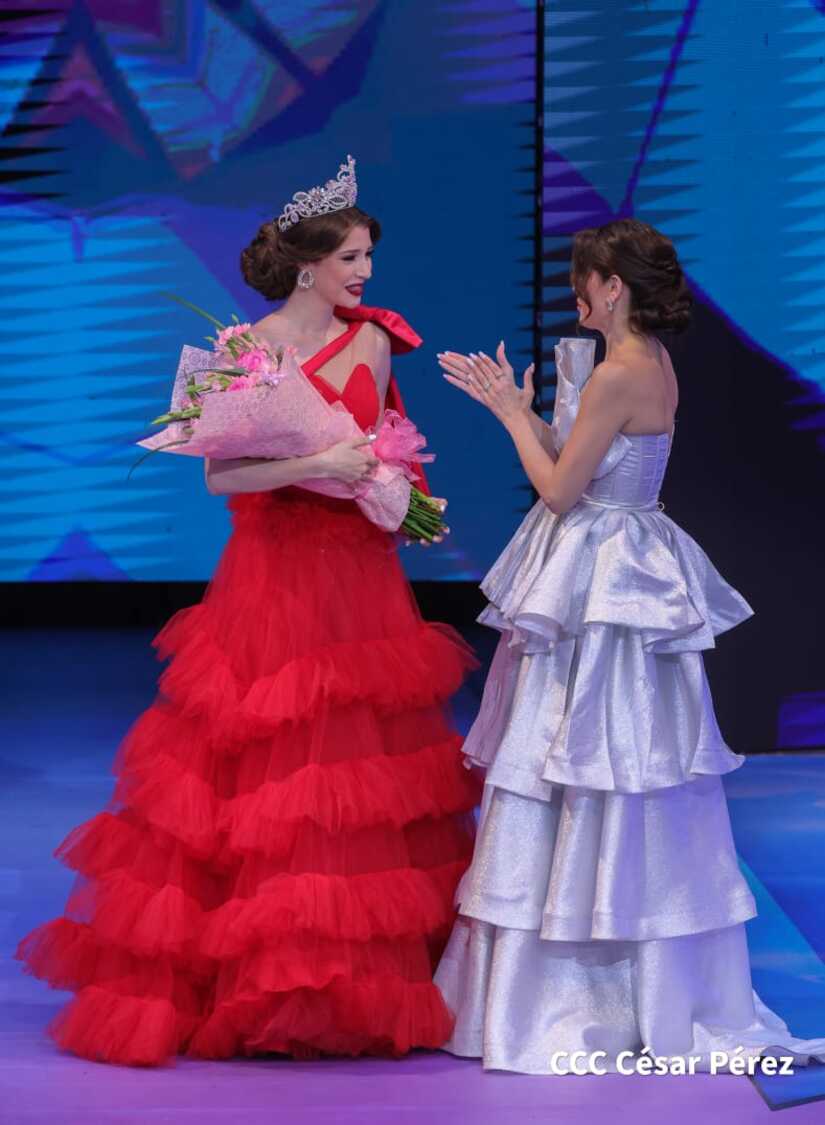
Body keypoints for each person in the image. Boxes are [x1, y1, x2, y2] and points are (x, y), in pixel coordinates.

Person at [16, 156, 480, 1066]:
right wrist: (319, 465)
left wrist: (402, 494)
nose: (365, 272)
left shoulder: (374, 342)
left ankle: (355, 975)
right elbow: (222, 476)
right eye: (350, 257)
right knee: (272, 764)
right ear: (306, 265)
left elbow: (387, 443)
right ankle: (260, 974)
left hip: (361, 575)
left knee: (356, 765)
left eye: (367, 256)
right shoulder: (246, 350)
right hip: (274, 575)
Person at [433, 218, 825, 1073]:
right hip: (612, 570)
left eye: (584, 281)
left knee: (586, 760)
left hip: (606, 581)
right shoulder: (644, 361)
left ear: (613, 285)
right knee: (604, 764)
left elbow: (559, 491)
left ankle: (575, 991)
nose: (575, 294)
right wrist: (531, 413)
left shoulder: (620, 372)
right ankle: (607, 964)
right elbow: (584, 467)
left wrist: (509, 414)